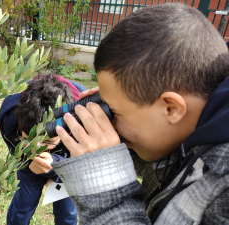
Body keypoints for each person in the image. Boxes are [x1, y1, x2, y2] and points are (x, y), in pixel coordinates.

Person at [50, 4, 229, 224]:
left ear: (171, 108)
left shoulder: (224, 189)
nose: (109, 120)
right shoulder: (199, 120)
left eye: (113, 112)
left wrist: (104, 183)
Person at [0, 74, 86, 224]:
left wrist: (55, 170)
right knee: (23, 207)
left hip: (70, 166)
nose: (37, 148)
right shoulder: (9, 117)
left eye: (48, 141)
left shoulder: (84, 120)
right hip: (29, 165)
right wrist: (26, 161)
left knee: (67, 213)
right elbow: (14, 148)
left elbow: (83, 169)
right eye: (27, 139)